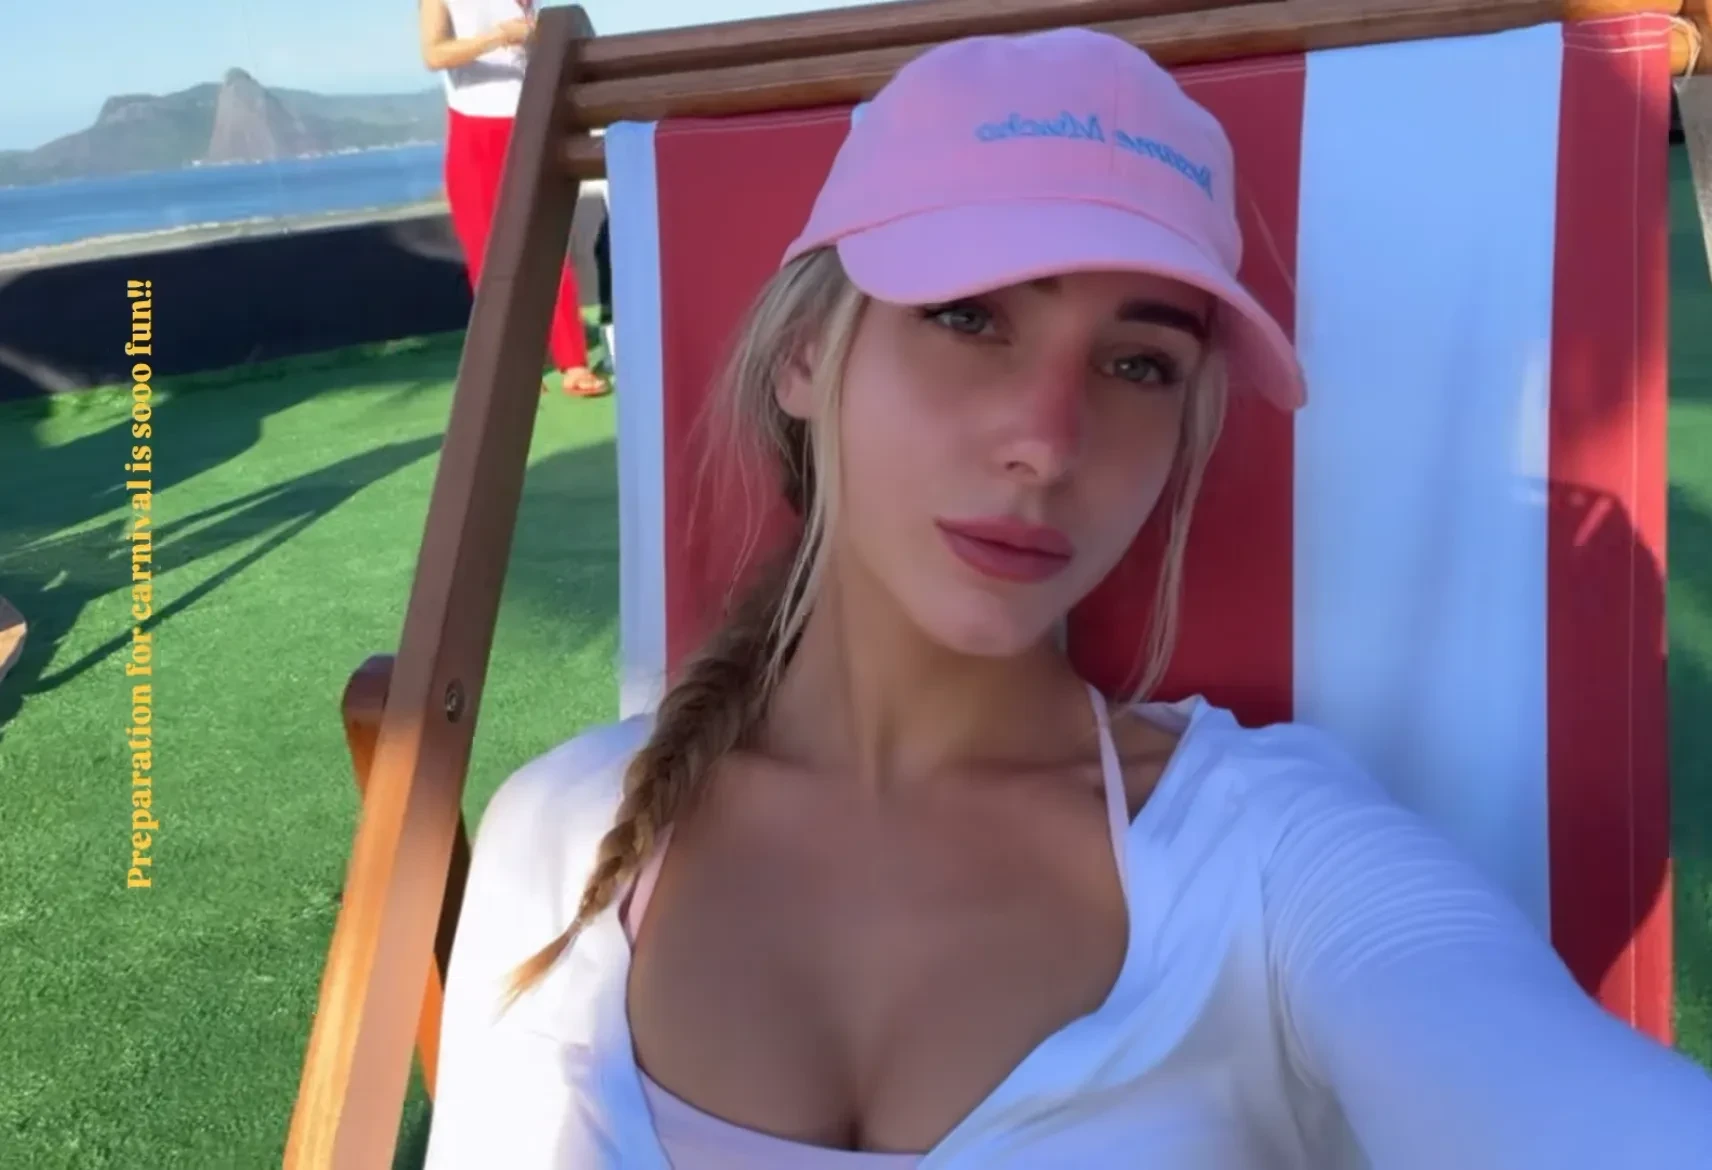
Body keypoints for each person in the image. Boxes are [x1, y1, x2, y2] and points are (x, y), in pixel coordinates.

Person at [422, 27, 1712, 1169]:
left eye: (1137, 363)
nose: (1046, 440)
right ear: (806, 356)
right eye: (967, 316)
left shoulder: (1270, 859)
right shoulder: (566, 837)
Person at [419, 0, 608, 397]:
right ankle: (512, 366)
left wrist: (535, 36)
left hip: (530, 119)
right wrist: (497, 37)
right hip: (472, 128)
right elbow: (434, 54)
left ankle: (572, 360)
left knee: (546, 242)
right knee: (486, 254)